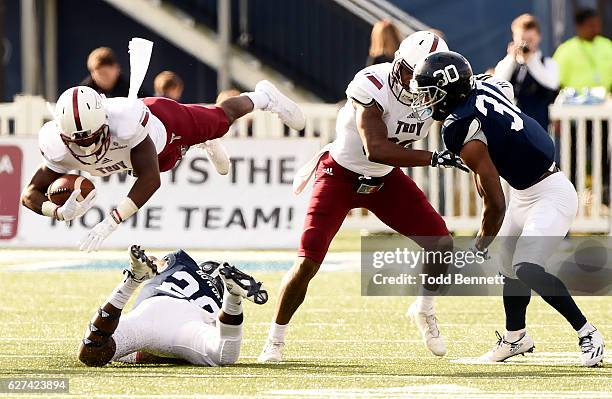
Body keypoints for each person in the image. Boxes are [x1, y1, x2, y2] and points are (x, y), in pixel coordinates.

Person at [258, 31, 468, 363]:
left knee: (441, 242)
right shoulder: (372, 83)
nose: (412, 82)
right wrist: (434, 157)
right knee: (308, 260)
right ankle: (275, 340)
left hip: (384, 182)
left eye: (420, 76)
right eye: (408, 72)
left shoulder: (437, 94)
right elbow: (376, 149)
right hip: (339, 174)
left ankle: (424, 309)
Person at [410, 50, 605, 367]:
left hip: (551, 193)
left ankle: (588, 334)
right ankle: (516, 338)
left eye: (431, 94)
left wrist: (479, 244)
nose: (427, 101)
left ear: (450, 90)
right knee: (509, 268)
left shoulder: (458, 126)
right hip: (526, 191)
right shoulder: (485, 84)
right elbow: (504, 95)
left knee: (527, 266)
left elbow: (494, 204)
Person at [20, 80, 305, 252]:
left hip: (165, 124)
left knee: (221, 119)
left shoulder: (126, 122)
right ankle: (200, 143)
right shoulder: (55, 143)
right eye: (77, 142)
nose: (86, 148)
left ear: (104, 121)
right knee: (168, 163)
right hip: (143, 158)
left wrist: (110, 223)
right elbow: (30, 193)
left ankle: (264, 97)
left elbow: (150, 179)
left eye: (92, 138)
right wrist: (56, 211)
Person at [78, 245, 268, 367]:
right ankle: (232, 297)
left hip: (152, 310)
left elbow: (154, 262)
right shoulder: (214, 297)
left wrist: (151, 262)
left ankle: (132, 281)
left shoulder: (180, 262)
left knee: (91, 352)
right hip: (189, 322)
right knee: (223, 355)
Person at [494, 14, 559, 129]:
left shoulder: (548, 63)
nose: (526, 44)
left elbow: (552, 84)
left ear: (539, 37)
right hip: (511, 126)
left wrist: (531, 59)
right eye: (522, 40)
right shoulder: (510, 63)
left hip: (538, 125)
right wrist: (511, 58)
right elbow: (497, 83)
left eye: (530, 40)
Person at [553, 8, 612, 92]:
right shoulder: (566, 50)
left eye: (598, 25)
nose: (596, 29)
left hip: (606, 101)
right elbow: (555, 81)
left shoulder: (607, 45)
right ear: (579, 27)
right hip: (575, 102)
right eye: (591, 26)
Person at [80, 47, 149, 98]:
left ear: (117, 69)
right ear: (92, 74)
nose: (104, 77)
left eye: (106, 73)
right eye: (100, 74)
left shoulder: (133, 92)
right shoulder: (83, 93)